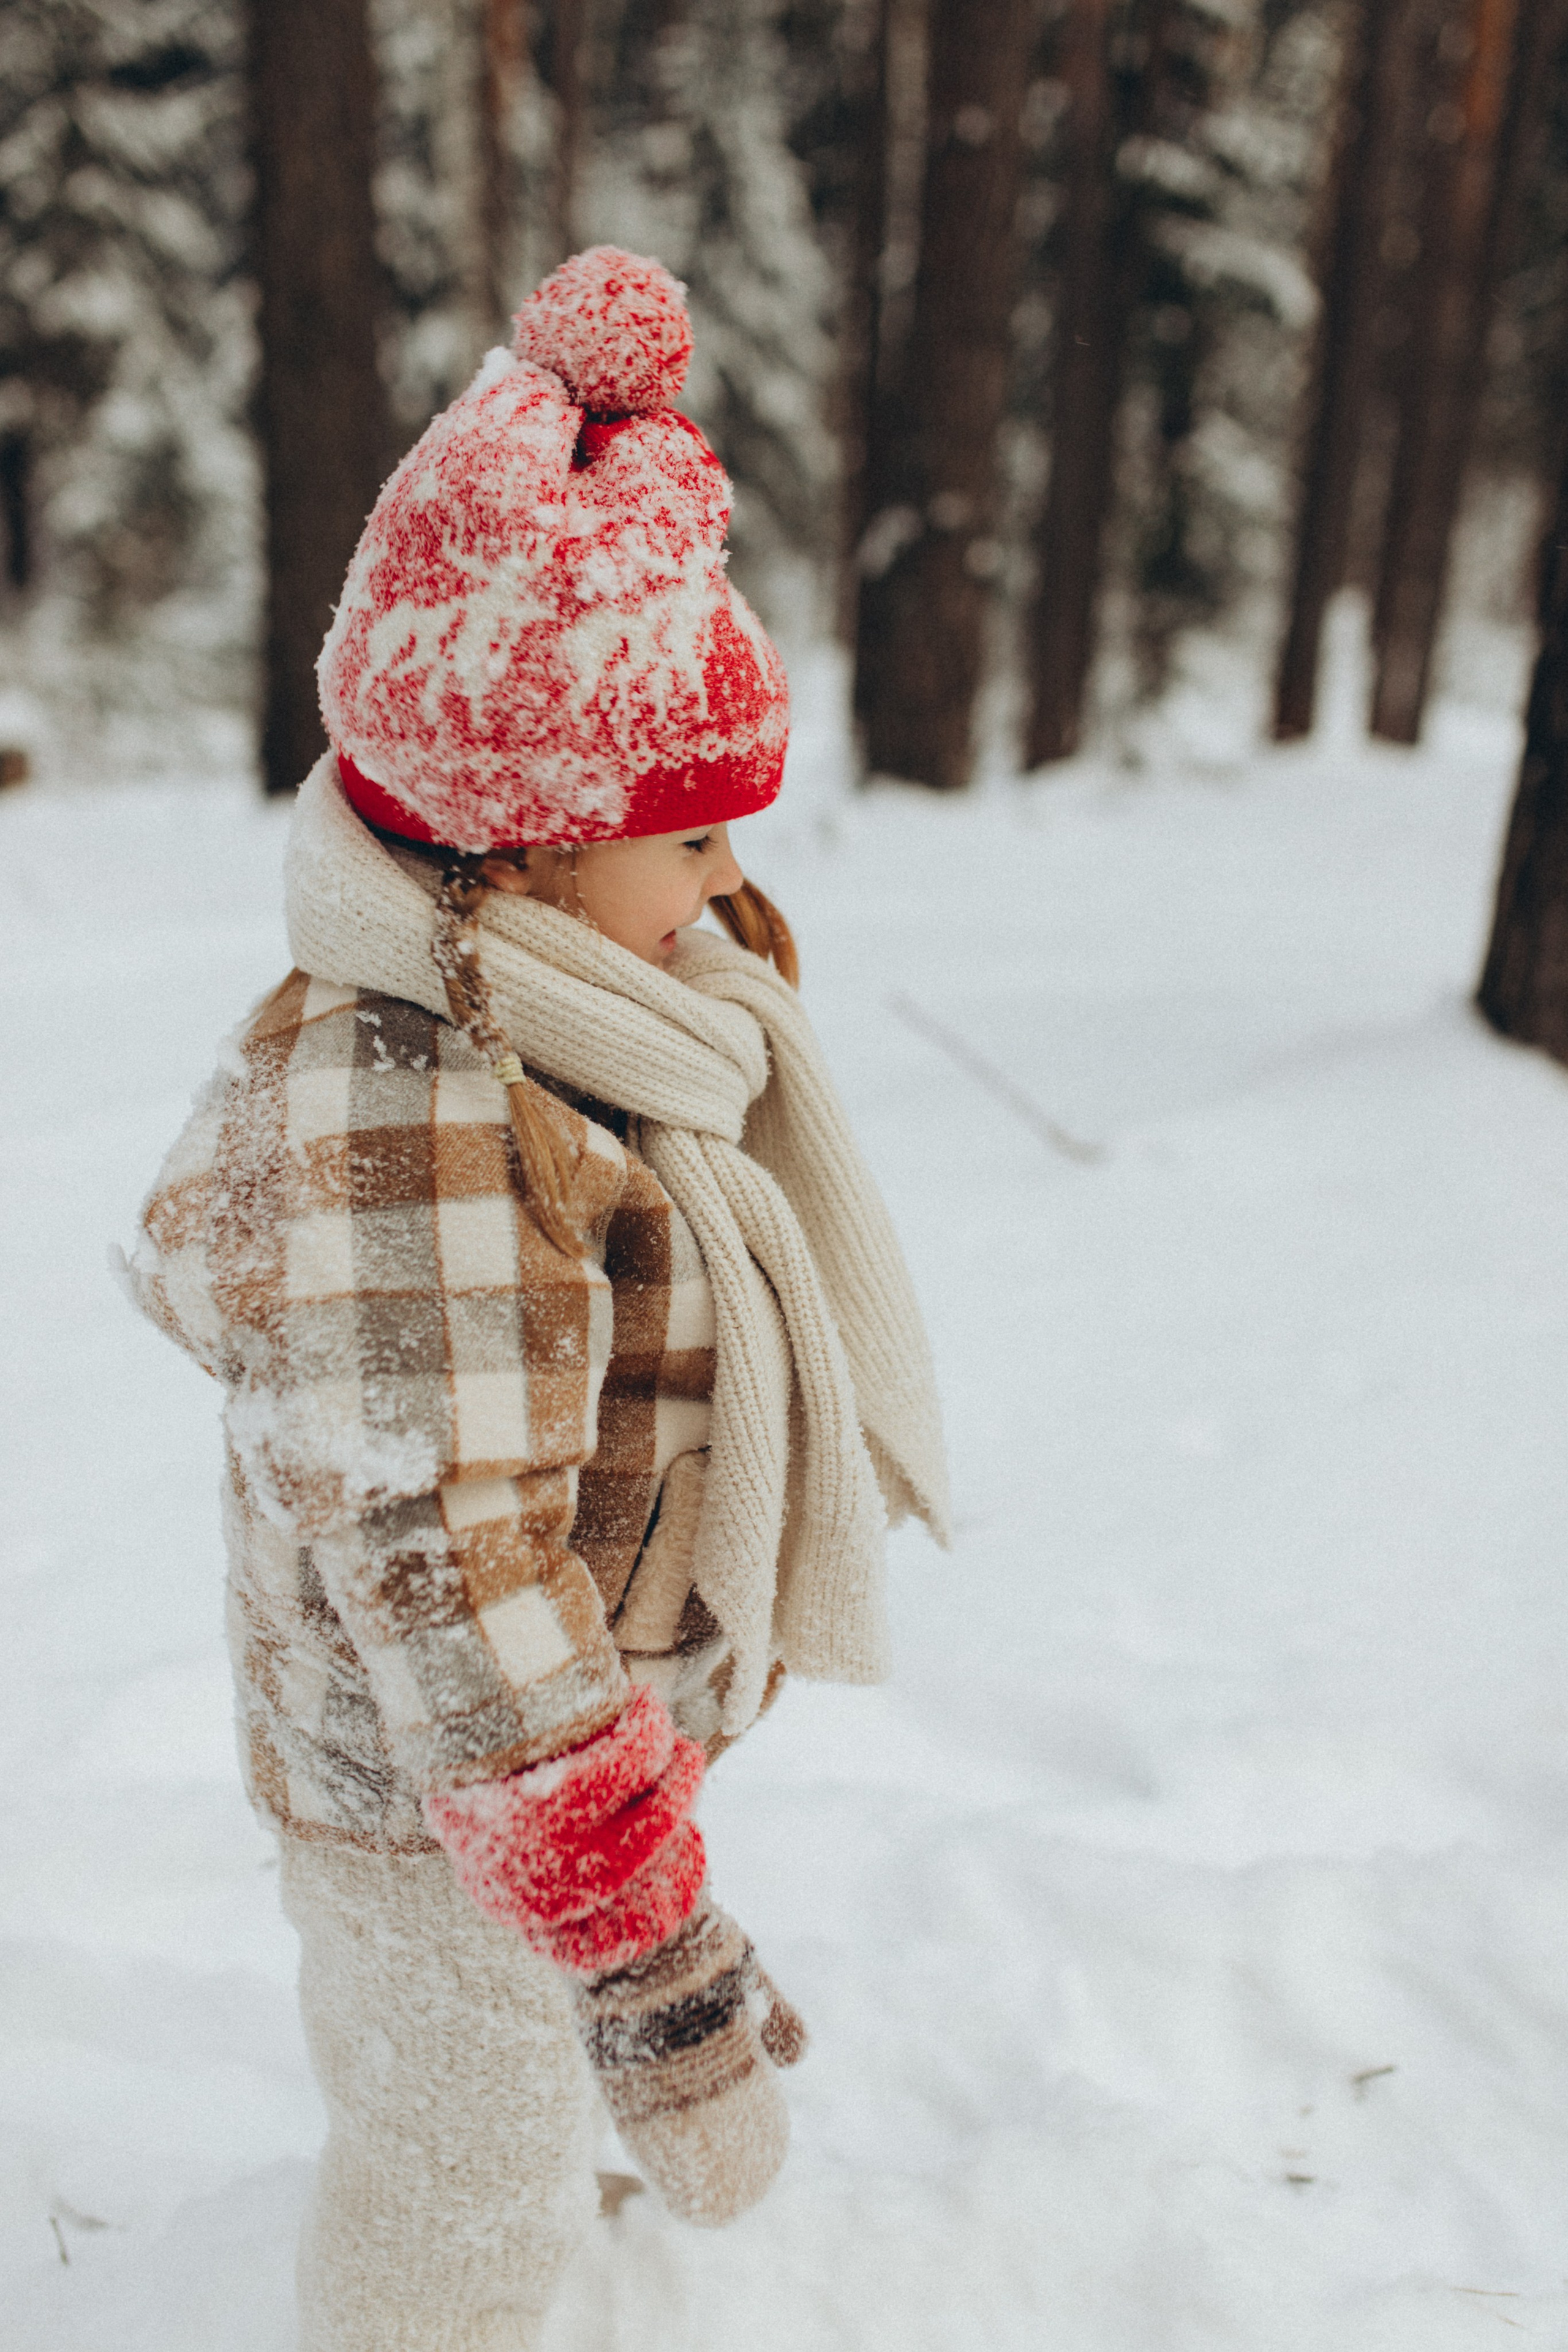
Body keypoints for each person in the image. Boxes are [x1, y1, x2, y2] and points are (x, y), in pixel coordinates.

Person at [128, 246, 948, 2352]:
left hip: (566, 1739)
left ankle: (532, 2168)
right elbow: (447, 1565)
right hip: (441, 1802)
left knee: (508, 2108)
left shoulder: (570, 1004)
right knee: (452, 2173)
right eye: (690, 836)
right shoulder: (407, 1107)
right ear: (525, 848)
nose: (735, 894)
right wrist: (647, 1953)